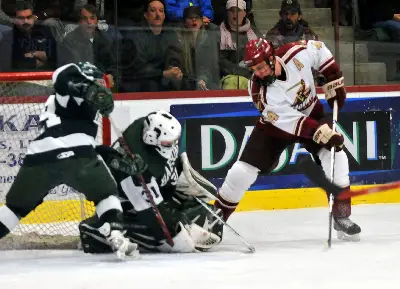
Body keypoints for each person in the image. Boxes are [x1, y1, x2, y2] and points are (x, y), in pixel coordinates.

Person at [212, 38, 362, 241]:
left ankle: (342, 217)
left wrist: (332, 77)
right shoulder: (259, 90)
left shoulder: (295, 53)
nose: (259, 72)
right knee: (243, 171)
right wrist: (322, 132)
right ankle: (215, 220)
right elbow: (291, 122)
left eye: (262, 66)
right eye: (254, 69)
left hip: (311, 114)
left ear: (272, 58)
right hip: (276, 128)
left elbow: (319, 49)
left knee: (337, 156)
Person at [0, 62, 137, 260]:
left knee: (14, 209)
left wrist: (116, 159)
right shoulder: (66, 92)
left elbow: (86, 143)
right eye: (96, 84)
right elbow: (60, 76)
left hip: (40, 156)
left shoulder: (78, 107)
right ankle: (116, 233)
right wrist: (87, 89)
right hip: (77, 157)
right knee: (106, 194)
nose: (100, 88)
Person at [79, 110, 221, 253]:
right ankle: (97, 230)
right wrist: (176, 235)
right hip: (125, 200)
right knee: (159, 237)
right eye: (167, 143)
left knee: (186, 210)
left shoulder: (147, 129)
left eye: (174, 141)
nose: (172, 145)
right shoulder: (134, 171)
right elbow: (153, 214)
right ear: (151, 138)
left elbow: (167, 166)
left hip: (149, 189)